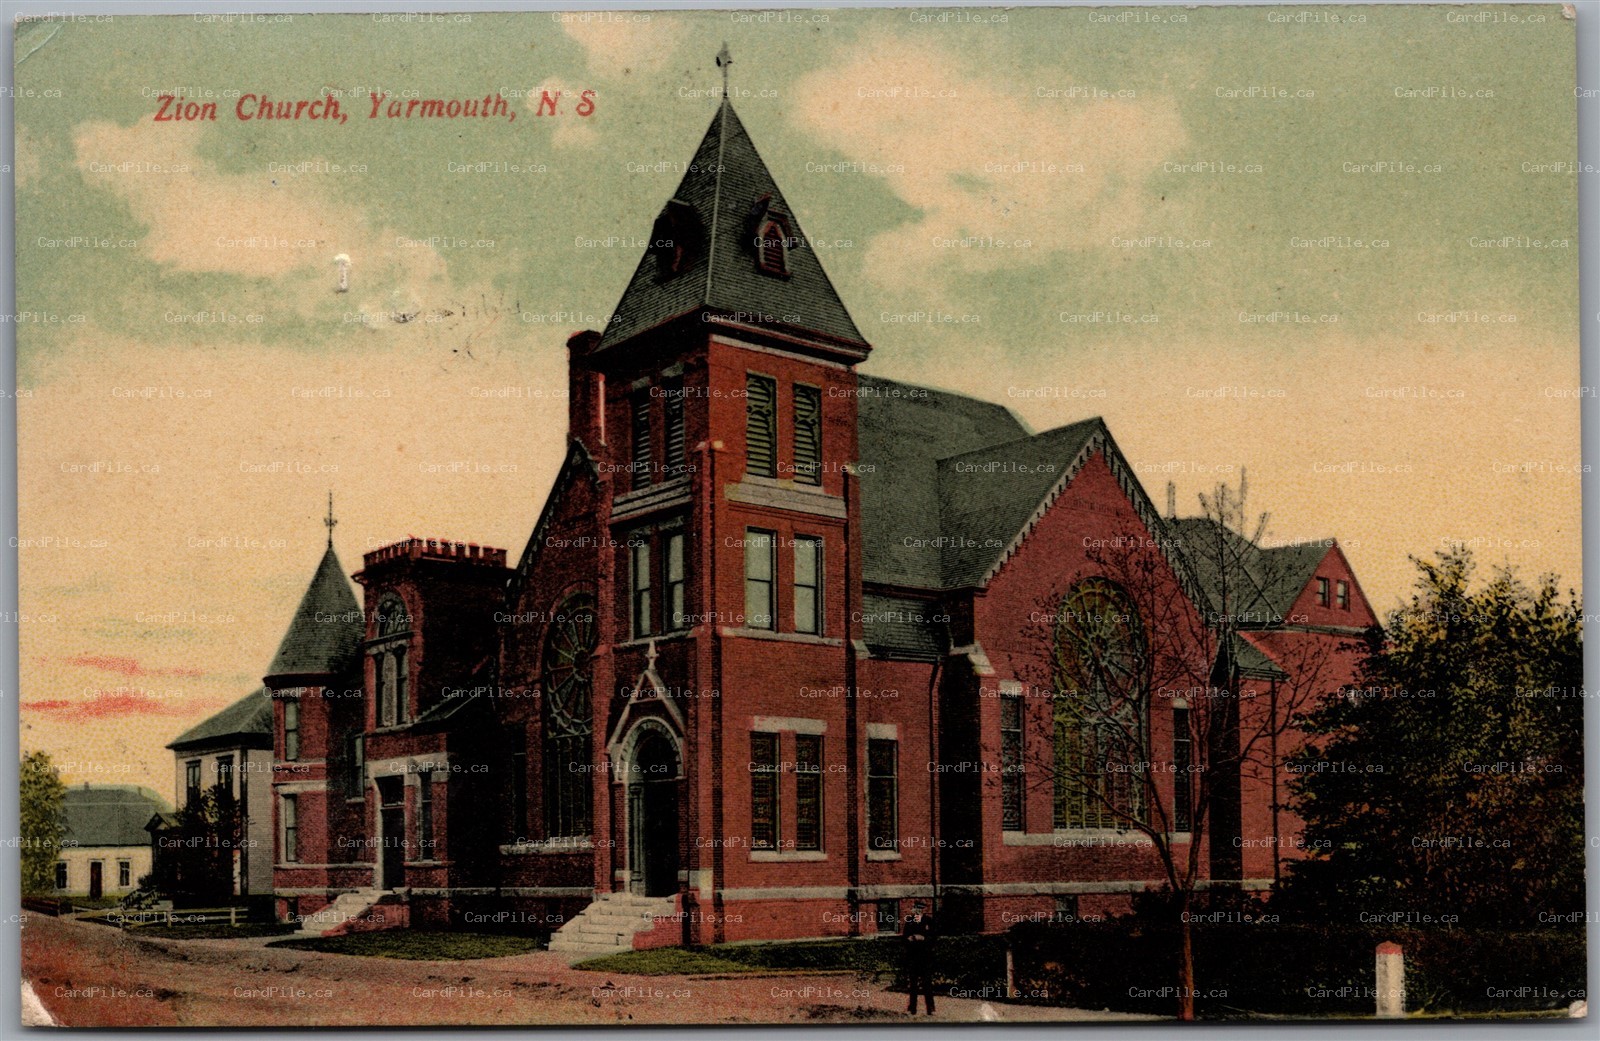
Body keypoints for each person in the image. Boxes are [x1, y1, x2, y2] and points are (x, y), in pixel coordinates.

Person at [901, 899, 936, 1015]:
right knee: (913, 984)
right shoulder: (910, 921)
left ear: (924, 910)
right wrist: (909, 938)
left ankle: (930, 1009)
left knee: (927, 984)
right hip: (913, 957)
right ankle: (912, 1008)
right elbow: (904, 938)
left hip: (925, 957)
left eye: (921, 909)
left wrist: (924, 939)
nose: (918, 911)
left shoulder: (928, 921)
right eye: (917, 908)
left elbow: (934, 938)